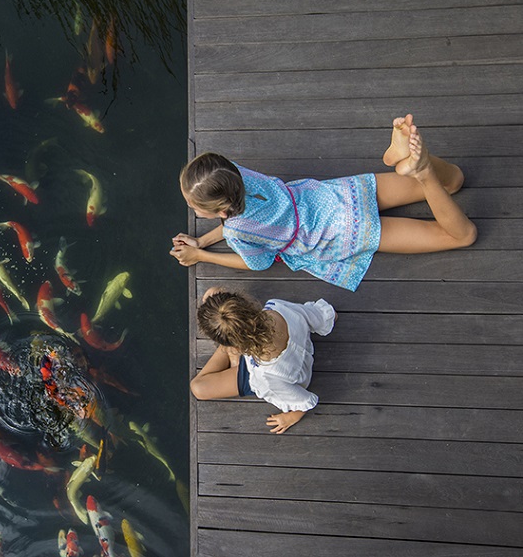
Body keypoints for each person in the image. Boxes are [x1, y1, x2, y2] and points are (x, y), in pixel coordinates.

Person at [170, 115, 477, 291]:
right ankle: (406, 159)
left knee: (461, 236)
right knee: (456, 180)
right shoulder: (233, 172)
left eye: (196, 208)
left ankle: (422, 172)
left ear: (221, 211)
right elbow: (234, 218)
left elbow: (256, 261)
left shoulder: (236, 231)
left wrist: (202, 255)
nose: (195, 211)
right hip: (338, 195)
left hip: (344, 233)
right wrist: (202, 240)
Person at [190, 287, 335, 434]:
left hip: (268, 370)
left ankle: (231, 340)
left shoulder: (266, 379)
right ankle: (231, 333)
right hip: (280, 358)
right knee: (214, 297)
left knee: (198, 388)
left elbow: (303, 401)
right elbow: (324, 316)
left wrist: (292, 416)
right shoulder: (276, 307)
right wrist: (330, 316)